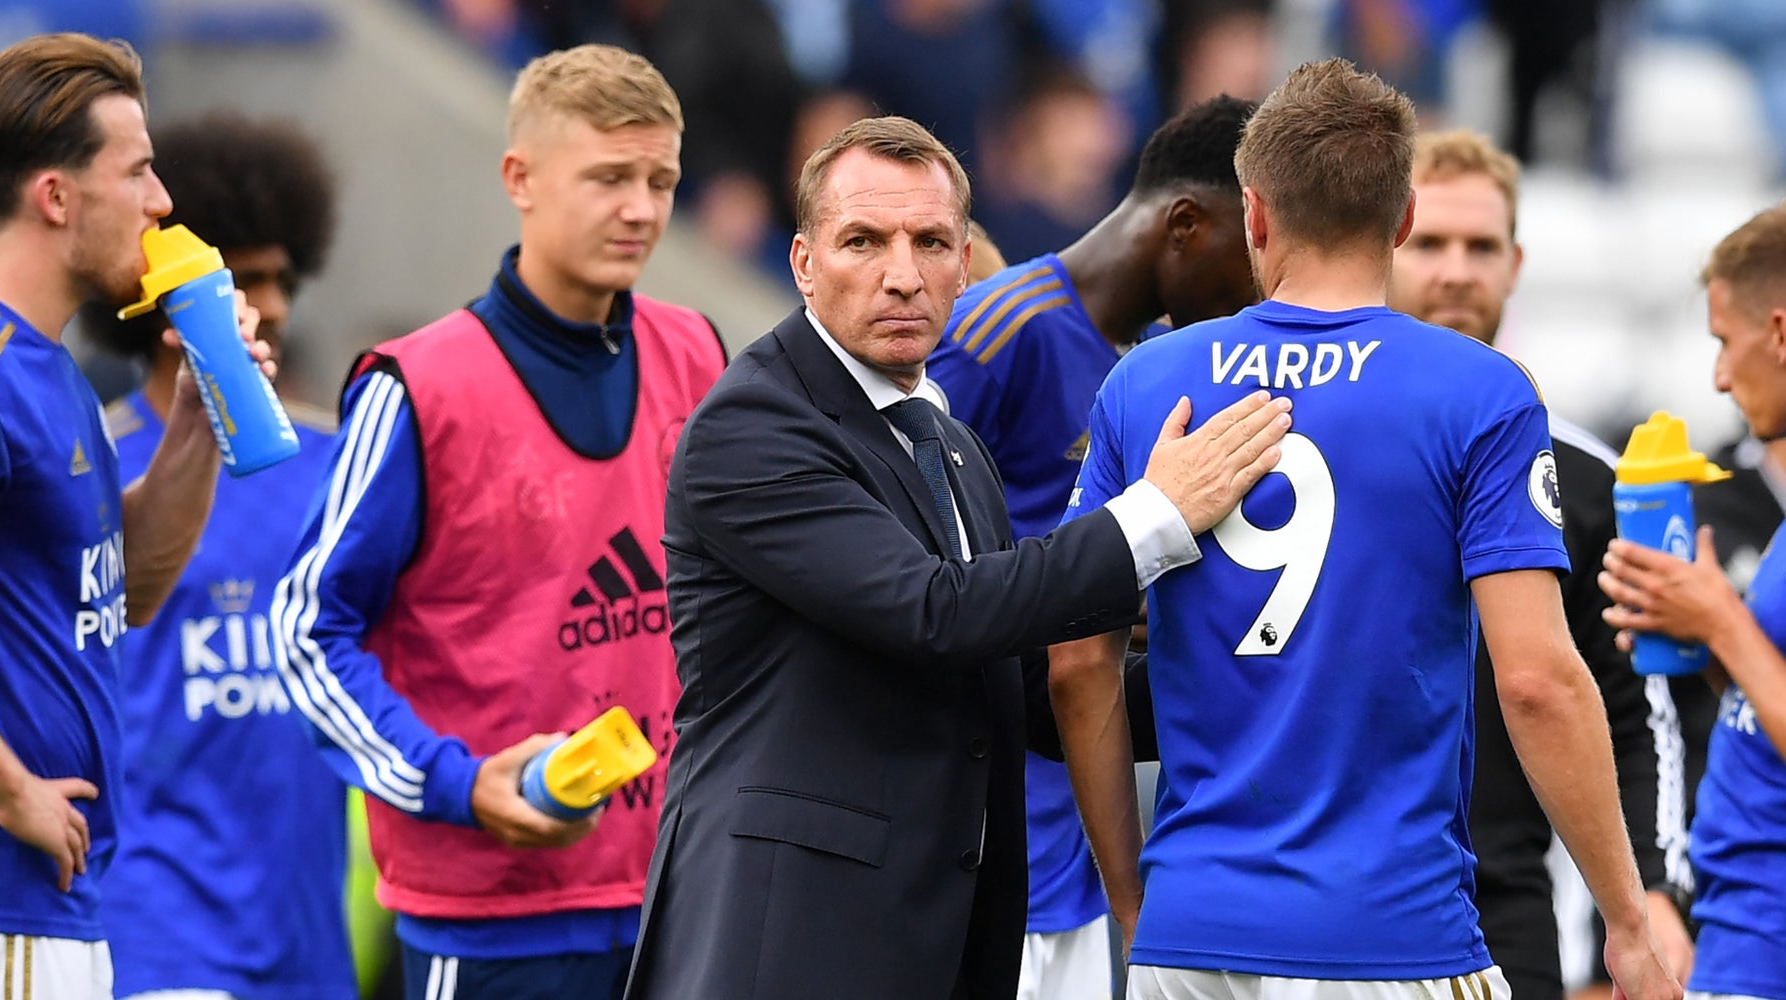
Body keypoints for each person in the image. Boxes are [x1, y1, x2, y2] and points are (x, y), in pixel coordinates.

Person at [624, 114, 1295, 1000]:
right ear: (804, 263)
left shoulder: (949, 446)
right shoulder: (753, 424)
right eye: (864, 240)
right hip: (786, 939)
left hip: (932, 934)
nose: (903, 275)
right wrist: (1157, 516)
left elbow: (1020, 692)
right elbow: (935, 613)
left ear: (962, 260)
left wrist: (1273, 667)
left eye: (932, 242)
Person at [1057, 58, 1683, 1000]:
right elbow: (1538, 681)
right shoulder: (1479, 391)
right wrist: (1629, 924)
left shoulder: (1146, 382)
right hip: (1393, 935)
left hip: (1194, 934)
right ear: (1400, 222)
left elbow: (1077, 663)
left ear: (1255, 214)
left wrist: (1133, 899)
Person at [268, 44, 725, 1000]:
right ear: (519, 178)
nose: (641, 208)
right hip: (492, 920)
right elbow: (303, 634)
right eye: (609, 177)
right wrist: (456, 783)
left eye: (661, 179)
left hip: (680, 890)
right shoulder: (418, 386)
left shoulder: (696, 351)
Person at [0, 33, 266, 997]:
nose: (162, 203)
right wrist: (7, 784)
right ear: (56, 198)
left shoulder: (43, 366)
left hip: (29, 897)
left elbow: (130, 585)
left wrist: (195, 416)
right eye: (140, 171)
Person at [926, 93, 1259, 999]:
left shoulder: (1158, 364)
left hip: (1075, 837)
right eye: (1254, 246)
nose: (1264, 285)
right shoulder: (999, 329)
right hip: (984, 844)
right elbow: (913, 573)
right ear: (1187, 224)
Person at [1385, 127, 1696, 999]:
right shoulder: (1288, 449)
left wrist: (1647, 900)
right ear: (1382, 246)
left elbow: (1635, 716)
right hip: (1323, 912)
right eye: (1429, 243)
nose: (1456, 271)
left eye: (1481, 246)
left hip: (1503, 912)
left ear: (1517, 264)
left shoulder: (1588, 482)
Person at [78, 113, 353, 1000]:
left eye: (278, 277)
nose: (265, 303)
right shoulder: (92, 467)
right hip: (155, 928)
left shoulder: (343, 464)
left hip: (309, 929)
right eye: (239, 276)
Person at [1599, 204, 1786, 1000]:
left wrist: (1722, 621)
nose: (1716, 375)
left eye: (1723, 340)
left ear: (1779, 332)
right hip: (1741, 933)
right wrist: (1706, 647)